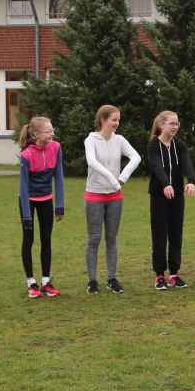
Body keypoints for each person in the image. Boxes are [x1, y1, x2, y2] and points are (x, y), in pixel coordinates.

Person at [82, 103, 141, 294]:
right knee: (94, 238)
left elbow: (136, 157)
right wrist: (111, 179)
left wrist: (122, 178)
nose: (117, 123)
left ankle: (112, 278)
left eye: (118, 120)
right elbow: (92, 161)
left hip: (115, 197)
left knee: (111, 238)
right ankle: (92, 281)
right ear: (103, 120)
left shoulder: (120, 140)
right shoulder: (91, 140)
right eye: (114, 119)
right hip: (94, 195)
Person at [146, 110, 195, 291]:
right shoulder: (153, 145)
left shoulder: (179, 145)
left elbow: (187, 163)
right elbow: (156, 166)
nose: (175, 127)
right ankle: (160, 275)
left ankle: (174, 274)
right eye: (171, 123)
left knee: (176, 234)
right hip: (159, 197)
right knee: (160, 235)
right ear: (161, 125)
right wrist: (165, 184)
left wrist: (190, 181)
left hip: (177, 197)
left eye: (177, 123)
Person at [17, 115, 65, 299]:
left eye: (52, 129)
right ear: (36, 134)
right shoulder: (27, 155)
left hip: (46, 199)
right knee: (28, 240)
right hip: (28, 200)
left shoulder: (56, 147)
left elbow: (59, 177)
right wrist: (26, 216)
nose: (52, 133)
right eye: (48, 131)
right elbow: (22, 186)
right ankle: (31, 282)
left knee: (46, 239)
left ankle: (46, 282)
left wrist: (59, 205)